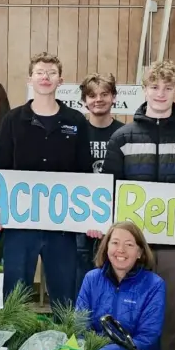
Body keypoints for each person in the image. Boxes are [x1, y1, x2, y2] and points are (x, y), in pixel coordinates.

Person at [104, 60, 175, 350]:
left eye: (168, 88)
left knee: (173, 313)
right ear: (144, 90)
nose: (161, 93)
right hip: (133, 244)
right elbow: (108, 193)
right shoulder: (123, 137)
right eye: (154, 87)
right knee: (129, 310)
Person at [0, 52, 93, 308]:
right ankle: (12, 348)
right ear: (30, 79)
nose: (45, 77)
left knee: (65, 297)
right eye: (40, 72)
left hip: (62, 225)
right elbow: (0, 170)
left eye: (51, 73)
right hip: (20, 224)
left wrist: (91, 217)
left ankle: (68, 346)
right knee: (14, 297)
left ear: (61, 80)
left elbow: (85, 173)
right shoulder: (12, 120)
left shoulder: (76, 122)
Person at [75, 221, 166, 350]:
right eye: (115, 243)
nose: (121, 250)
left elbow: (147, 339)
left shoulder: (154, 285)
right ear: (107, 247)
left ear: (140, 252)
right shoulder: (91, 278)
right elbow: (80, 325)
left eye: (129, 244)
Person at [76, 73, 124, 289]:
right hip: (80, 214)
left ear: (114, 97)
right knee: (81, 276)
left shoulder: (124, 133)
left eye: (104, 94)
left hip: (116, 215)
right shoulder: (76, 132)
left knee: (113, 274)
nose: (98, 99)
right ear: (84, 100)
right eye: (92, 95)